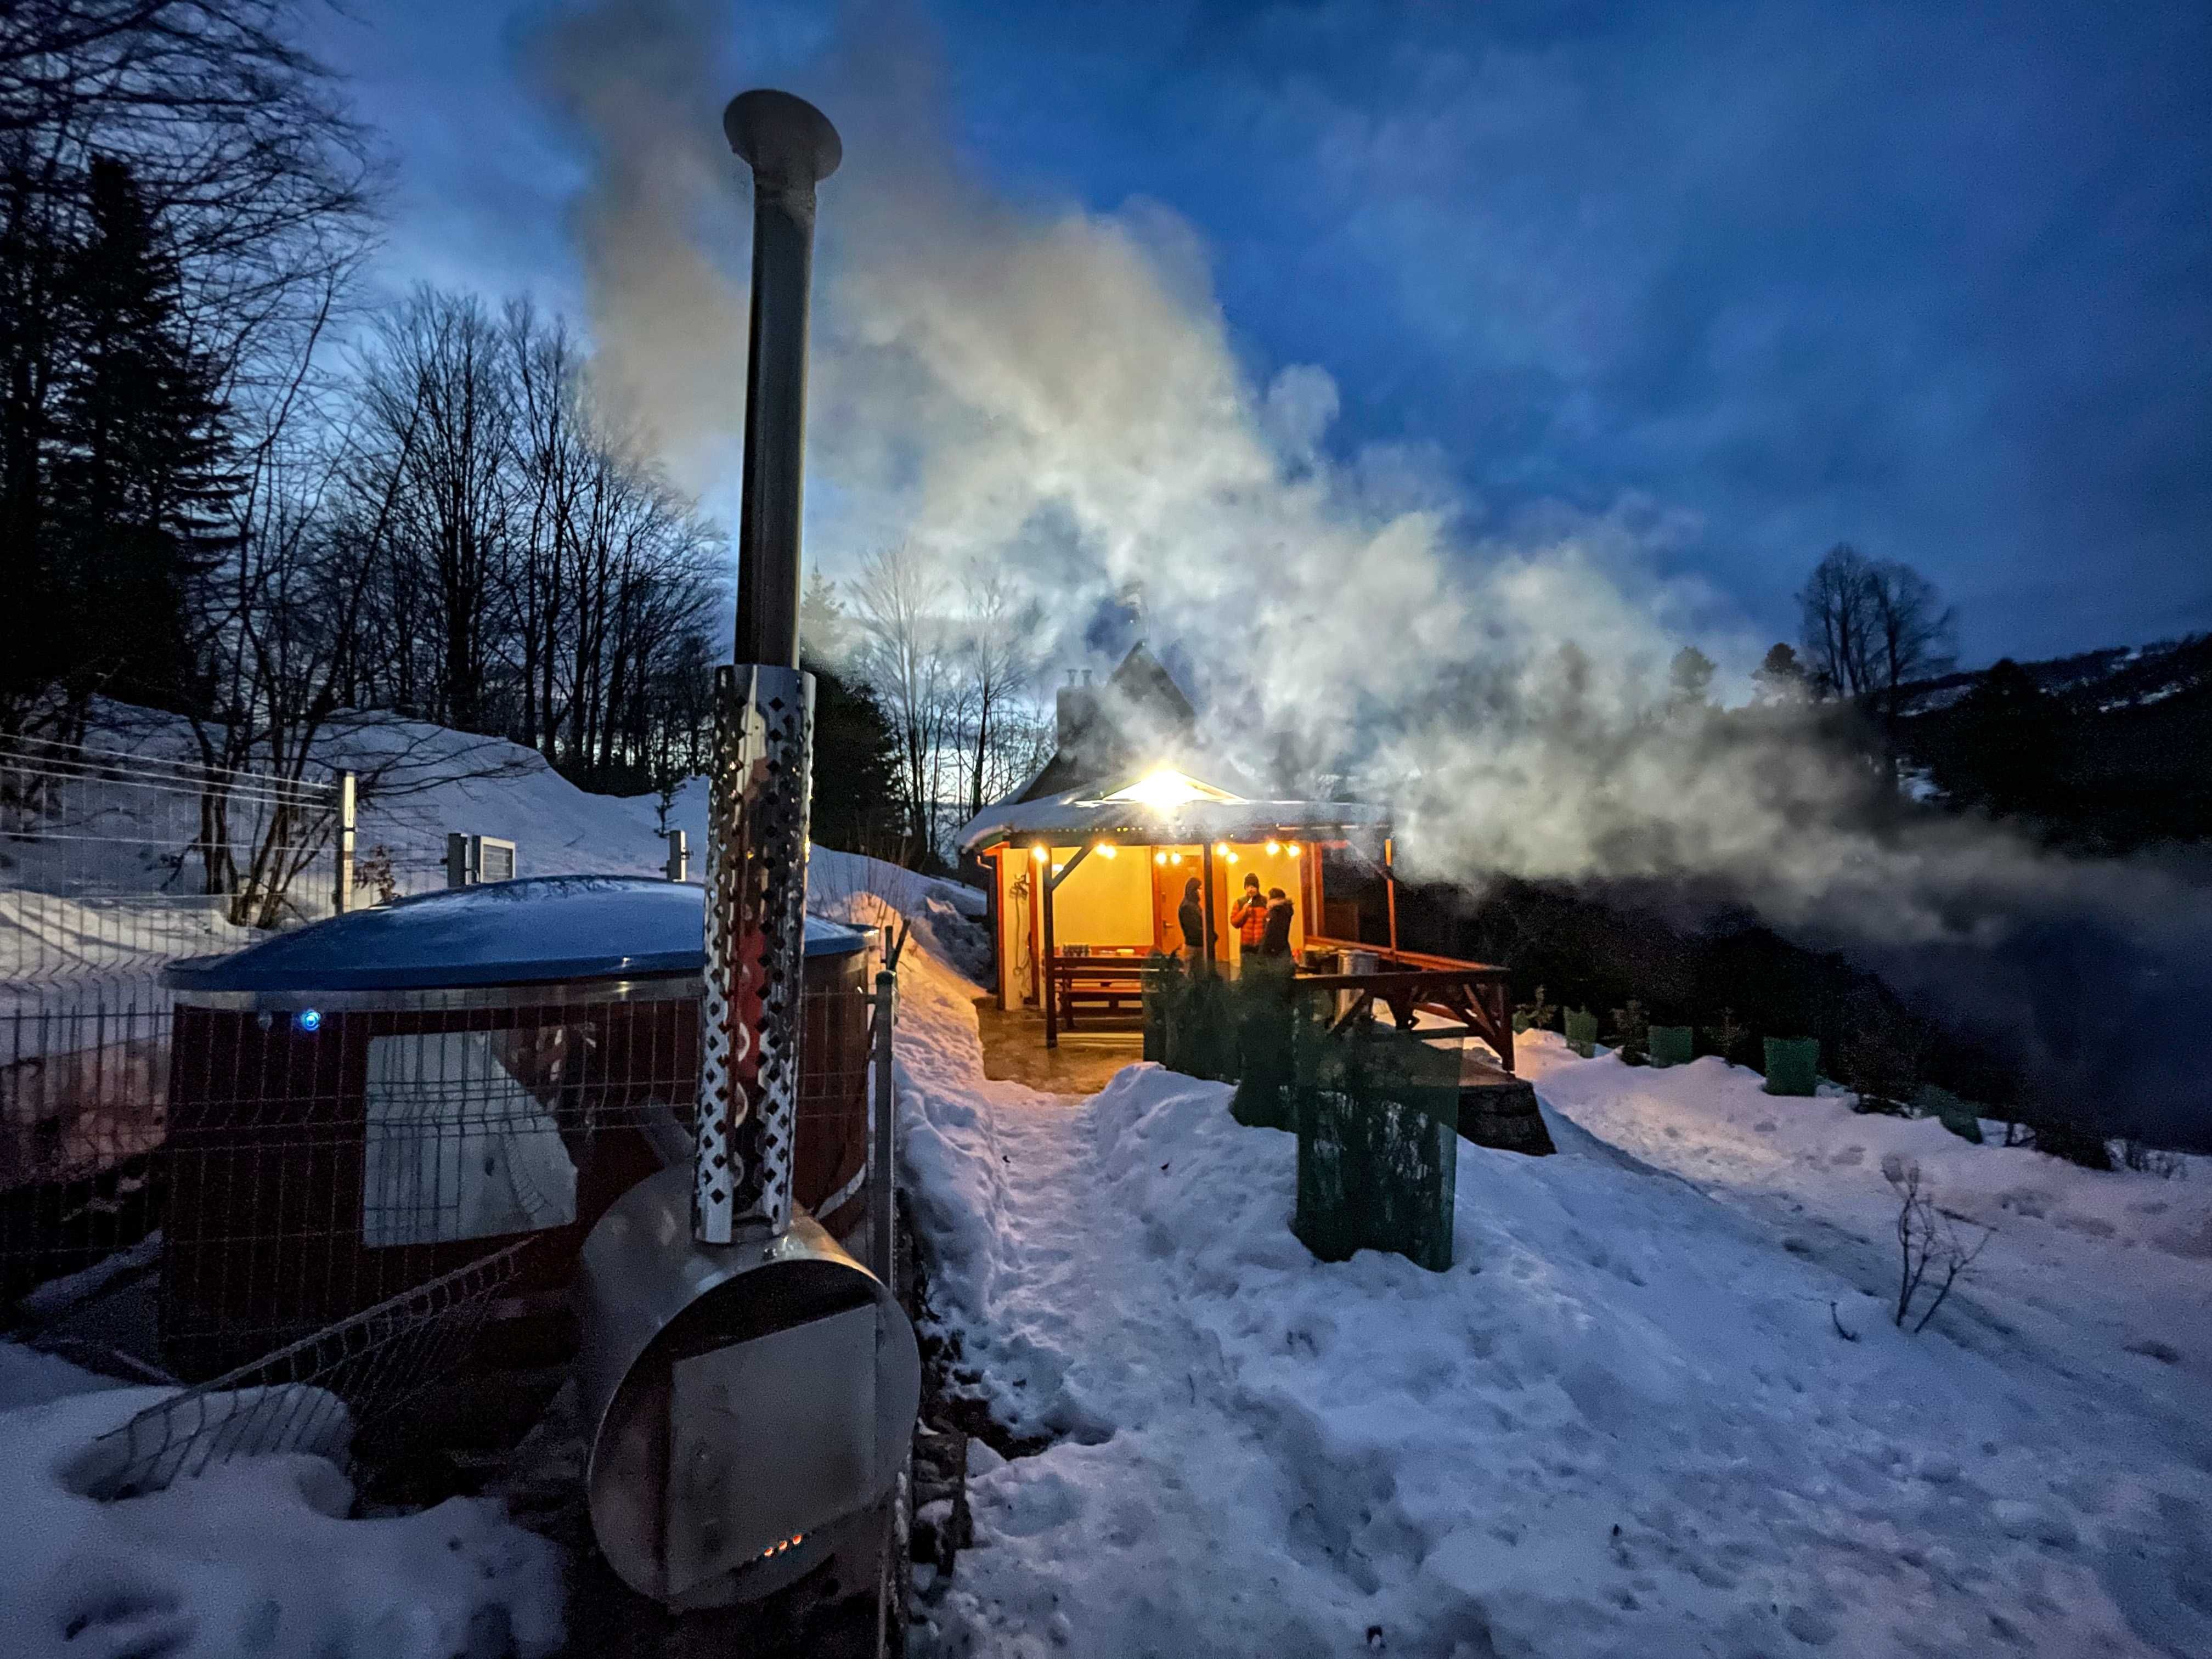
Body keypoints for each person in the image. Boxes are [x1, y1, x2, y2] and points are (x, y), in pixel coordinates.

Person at [1229, 873, 1268, 958]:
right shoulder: (1240, 902)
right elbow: (1234, 923)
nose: (1250, 890)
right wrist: (1244, 911)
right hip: (1246, 947)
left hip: (1262, 946)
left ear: (1257, 887)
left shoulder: (1265, 902)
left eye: (1253, 887)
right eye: (1247, 887)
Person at [1177, 875, 1207, 964]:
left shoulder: (1192, 905)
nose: (1202, 891)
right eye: (1200, 888)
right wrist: (1208, 936)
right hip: (1194, 947)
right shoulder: (1188, 907)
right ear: (1194, 890)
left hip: (1195, 945)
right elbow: (1194, 930)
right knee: (1194, 973)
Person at [1260, 887, 1295, 957]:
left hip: (1273, 951)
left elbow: (1270, 933)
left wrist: (1262, 951)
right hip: (1283, 949)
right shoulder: (1286, 910)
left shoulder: (1276, 912)